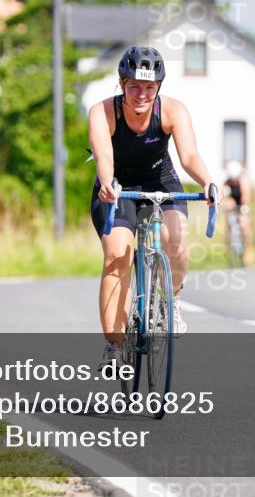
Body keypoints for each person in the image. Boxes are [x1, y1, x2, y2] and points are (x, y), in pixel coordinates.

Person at [88, 46, 219, 368]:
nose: (141, 95)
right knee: (118, 254)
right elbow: (104, 156)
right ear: (121, 84)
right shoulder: (102, 111)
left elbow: (188, 156)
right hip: (117, 186)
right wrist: (107, 183)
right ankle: (114, 345)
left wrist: (207, 183)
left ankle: (170, 302)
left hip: (161, 181)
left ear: (159, 87)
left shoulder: (173, 110)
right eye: (134, 86)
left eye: (149, 87)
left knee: (177, 238)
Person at [223, 160, 255, 266]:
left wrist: (239, 206)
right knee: (227, 222)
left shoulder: (243, 182)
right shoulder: (227, 182)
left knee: (243, 223)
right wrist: (228, 203)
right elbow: (224, 196)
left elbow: (245, 198)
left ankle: (249, 246)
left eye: (234, 180)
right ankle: (229, 244)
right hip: (232, 206)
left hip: (242, 205)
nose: (233, 182)